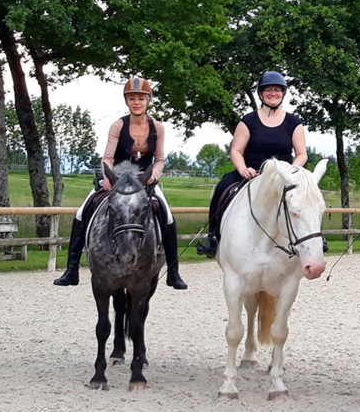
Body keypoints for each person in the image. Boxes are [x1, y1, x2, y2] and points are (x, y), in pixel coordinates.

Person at [53, 77, 187, 289]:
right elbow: (107, 157)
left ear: (148, 101)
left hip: (144, 180)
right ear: (127, 101)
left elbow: (160, 159)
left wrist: (156, 174)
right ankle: (72, 269)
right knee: (81, 211)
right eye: (132, 98)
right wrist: (108, 176)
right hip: (117, 179)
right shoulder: (118, 126)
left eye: (141, 98)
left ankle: (173, 271)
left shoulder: (158, 128)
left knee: (167, 215)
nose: (136, 102)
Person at [195, 71, 308, 258]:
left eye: (277, 90)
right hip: (252, 172)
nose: (273, 93)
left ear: (283, 93)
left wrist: (291, 171)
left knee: (309, 194)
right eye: (269, 90)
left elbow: (302, 153)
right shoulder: (249, 120)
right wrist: (242, 169)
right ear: (261, 94)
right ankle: (213, 237)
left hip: (283, 174)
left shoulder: (293, 122)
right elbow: (236, 151)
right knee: (223, 186)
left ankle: (316, 238)